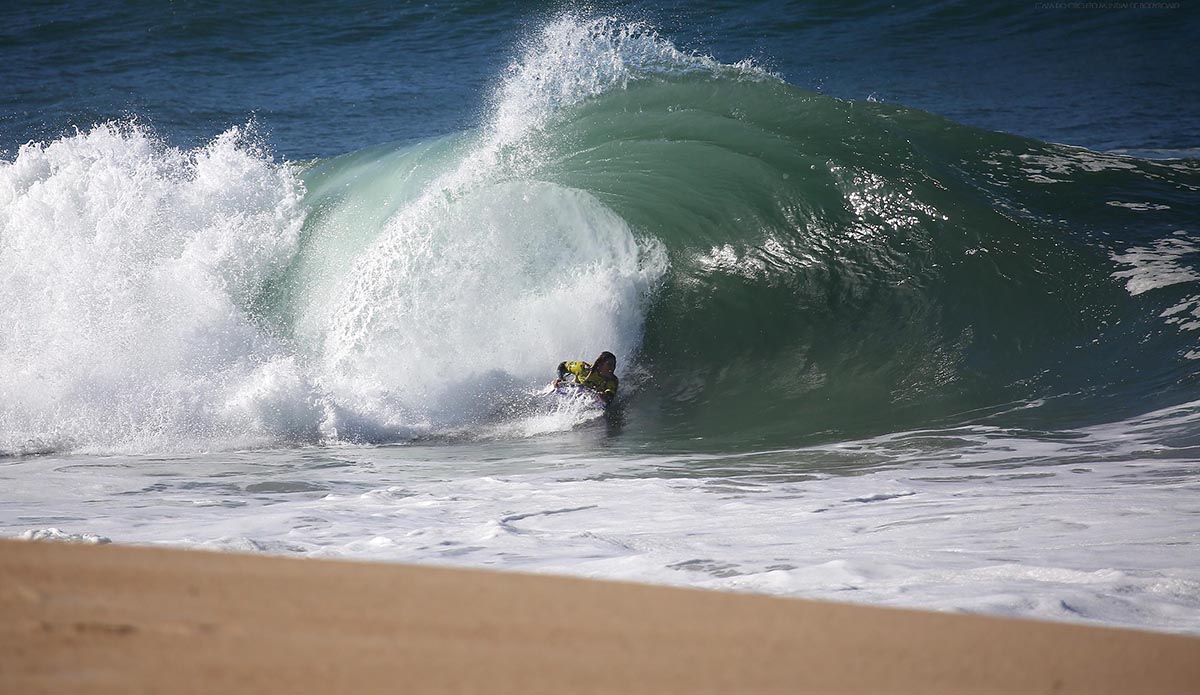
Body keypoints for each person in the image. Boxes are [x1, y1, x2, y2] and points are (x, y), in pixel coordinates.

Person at [554, 351, 618, 405]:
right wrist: (560, 379)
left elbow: (610, 397)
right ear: (600, 364)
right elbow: (562, 366)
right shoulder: (583, 368)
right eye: (609, 364)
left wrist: (604, 397)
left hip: (590, 402)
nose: (612, 368)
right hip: (572, 394)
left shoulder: (612, 381)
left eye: (614, 365)